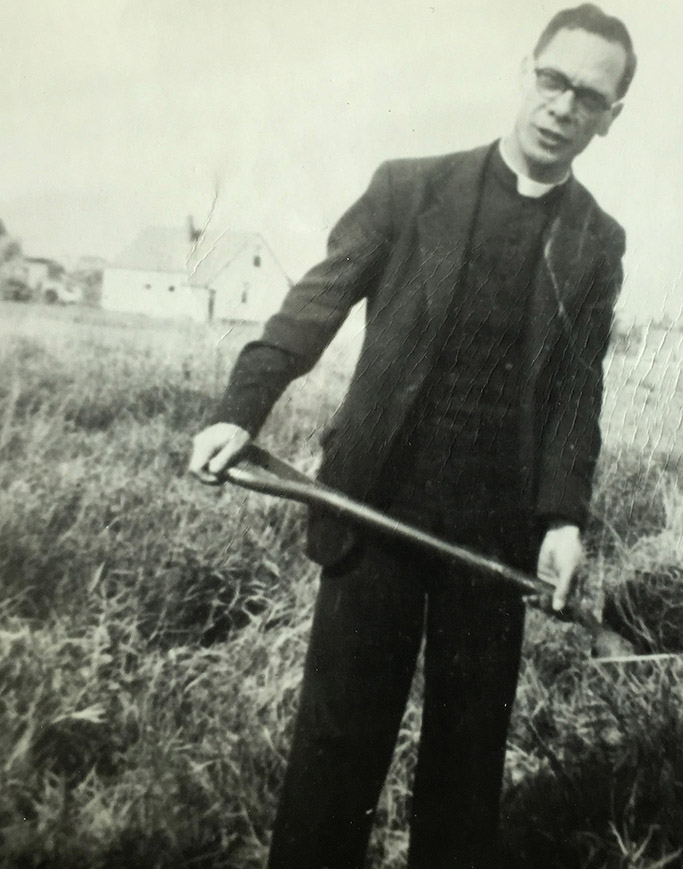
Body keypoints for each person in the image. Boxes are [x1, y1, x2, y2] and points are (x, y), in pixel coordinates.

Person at [188, 5, 636, 866]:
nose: (562, 108)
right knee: (335, 760)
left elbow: (579, 388)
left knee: (464, 778)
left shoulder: (595, 242)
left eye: (589, 96)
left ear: (610, 117)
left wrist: (564, 518)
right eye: (553, 80)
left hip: (491, 539)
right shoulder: (408, 187)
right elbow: (311, 307)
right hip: (373, 511)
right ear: (525, 72)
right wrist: (241, 408)